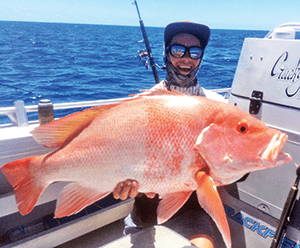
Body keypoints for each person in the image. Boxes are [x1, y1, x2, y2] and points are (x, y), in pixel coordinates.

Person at [113, 21, 224, 248]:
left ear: (201, 57)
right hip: (145, 215)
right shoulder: (144, 103)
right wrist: (126, 187)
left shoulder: (217, 106)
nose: (186, 58)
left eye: (194, 51)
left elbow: (237, 164)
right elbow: (121, 156)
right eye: (177, 50)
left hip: (191, 214)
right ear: (166, 53)